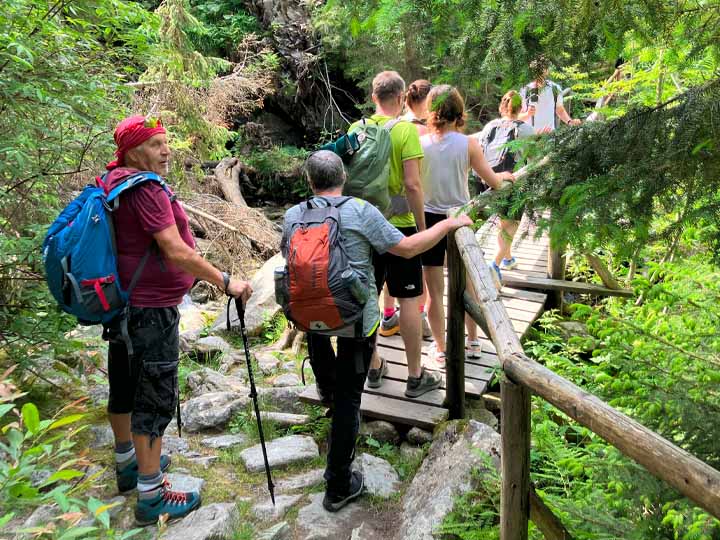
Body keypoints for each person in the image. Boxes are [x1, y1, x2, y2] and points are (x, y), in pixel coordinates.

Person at [283, 151, 471, 512]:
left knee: (331, 379)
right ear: (344, 177)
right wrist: (447, 226)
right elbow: (407, 248)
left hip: (310, 315)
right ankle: (338, 484)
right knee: (350, 396)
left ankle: (327, 391)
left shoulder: (294, 215)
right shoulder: (359, 210)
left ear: (310, 182)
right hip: (355, 317)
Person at [100, 115, 252, 526]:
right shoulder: (146, 189)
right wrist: (226, 281)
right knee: (153, 396)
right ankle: (151, 495)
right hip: (150, 310)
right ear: (133, 151)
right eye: (155, 145)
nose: (166, 151)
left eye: (166, 143)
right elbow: (176, 251)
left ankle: (128, 464)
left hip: (124, 303)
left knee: (124, 384)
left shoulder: (112, 181)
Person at [348, 71, 438, 395]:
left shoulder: (356, 129)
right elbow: (413, 185)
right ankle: (415, 376)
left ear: (374, 98)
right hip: (399, 229)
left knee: (367, 297)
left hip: (363, 231)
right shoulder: (405, 131)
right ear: (401, 99)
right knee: (410, 300)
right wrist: (422, 229)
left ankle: (373, 368)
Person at [419, 85, 515, 364]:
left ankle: (440, 348)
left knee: (435, 292)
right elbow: (492, 181)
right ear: (459, 111)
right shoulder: (468, 144)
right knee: (469, 285)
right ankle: (473, 342)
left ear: (432, 110)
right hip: (459, 218)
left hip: (430, 222)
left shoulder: (422, 144)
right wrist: (506, 177)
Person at [382, 78, 434, 339]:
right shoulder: (417, 131)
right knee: (415, 277)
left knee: (383, 273)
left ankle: (388, 316)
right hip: (407, 215)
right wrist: (423, 226)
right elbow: (414, 183)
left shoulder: (372, 127)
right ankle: (421, 318)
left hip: (375, 215)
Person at [474, 90, 535, 278]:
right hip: (512, 180)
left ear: (502, 106)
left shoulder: (490, 126)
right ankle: (495, 263)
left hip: (488, 178)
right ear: (521, 108)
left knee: (503, 220)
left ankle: (508, 258)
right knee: (513, 222)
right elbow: (533, 157)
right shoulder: (525, 129)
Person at [519, 55, 581, 132]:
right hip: (530, 137)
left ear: (547, 70)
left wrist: (570, 122)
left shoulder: (555, 88)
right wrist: (527, 114)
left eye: (543, 68)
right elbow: (518, 116)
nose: (541, 71)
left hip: (549, 136)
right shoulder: (525, 90)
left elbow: (560, 110)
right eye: (538, 69)